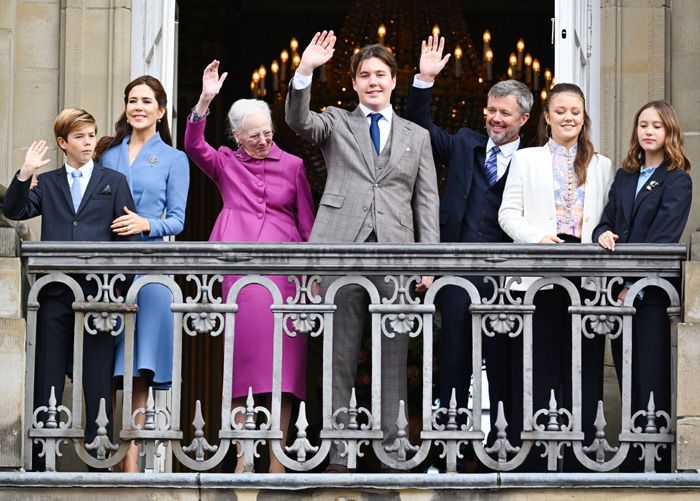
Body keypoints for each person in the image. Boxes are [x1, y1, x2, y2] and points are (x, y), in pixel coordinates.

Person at [286, 31, 440, 472]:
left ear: (394, 80)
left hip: (395, 253)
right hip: (340, 249)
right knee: (339, 351)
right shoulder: (336, 121)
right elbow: (299, 121)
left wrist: (426, 260)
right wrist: (305, 70)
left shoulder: (416, 136)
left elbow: (426, 201)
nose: (373, 82)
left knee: (394, 351)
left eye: (380, 75)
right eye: (364, 75)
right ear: (353, 83)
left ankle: (393, 450)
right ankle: (339, 451)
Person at [405, 35, 532, 464]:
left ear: (524, 119)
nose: (495, 119)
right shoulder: (463, 142)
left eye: (505, 113)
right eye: (491, 111)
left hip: (506, 276)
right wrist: (424, 79)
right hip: (457, 271)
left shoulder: (533, 160)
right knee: (455, 360)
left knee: (502, 364)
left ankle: (508, 452)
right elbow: (419, 129)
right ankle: (450, 451)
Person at [184, 60, 315, 473]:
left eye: (267, 133)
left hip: (285, 274)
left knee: (285, 373)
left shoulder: (293, 166)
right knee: (243, 369)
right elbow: (193, 145)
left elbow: (309, 224)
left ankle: (278, 460)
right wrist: (205, 101)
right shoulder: (224, 162)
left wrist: (312, 281)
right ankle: (242, 458)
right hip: (239, 271)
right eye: (253, 135)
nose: (262, 141)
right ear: (236, 135)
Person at [3, 108, 138, 470]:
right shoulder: (47, 183)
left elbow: (128, 240)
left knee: (96, 379)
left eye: (92, 135)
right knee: (46, 375)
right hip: (54, 294)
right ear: (63, 143)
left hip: (98, 296)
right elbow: (13, 210)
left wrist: (115, 289)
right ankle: (38, 461)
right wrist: (25, 172)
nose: (88, 142)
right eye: (79, 137)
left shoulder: (114, 181)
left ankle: (101, 459)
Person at [498, 83, 613, 471]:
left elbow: (607, 221)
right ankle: (533, 459)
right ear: (546, 117)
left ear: (584, 118)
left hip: (586, 281)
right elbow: (507, 213)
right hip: (537, 278)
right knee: (538, 367)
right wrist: (537, 238)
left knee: (582, 370)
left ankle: (582, 458)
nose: (568, 117)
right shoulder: (527, 159)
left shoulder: (602, 165)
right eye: (560, 110)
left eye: (575, 111)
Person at [94, 75, 190, 472]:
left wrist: (145, 225)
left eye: (147, 101)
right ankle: (103, 452)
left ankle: (130, 457)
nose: (138, 107)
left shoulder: (173, 158)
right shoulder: (106, 153)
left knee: (138, 368)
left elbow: (178, 220)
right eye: (132, 100)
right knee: (102, 361)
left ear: (161, 110)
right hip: (108, 270)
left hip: (150, 270)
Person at [593, 101, 692, 472]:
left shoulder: (677, 177)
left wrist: (632, 285)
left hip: (650, 296)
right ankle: (634, 454)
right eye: (643, 125)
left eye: (657, 126)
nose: (648, 131)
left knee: (650, 375)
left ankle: (655, 459)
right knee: (626, 372)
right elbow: (604, 221)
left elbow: (664, 237)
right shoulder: (623, 176)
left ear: (669, 132)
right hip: (619, 293)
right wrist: (602, 233)